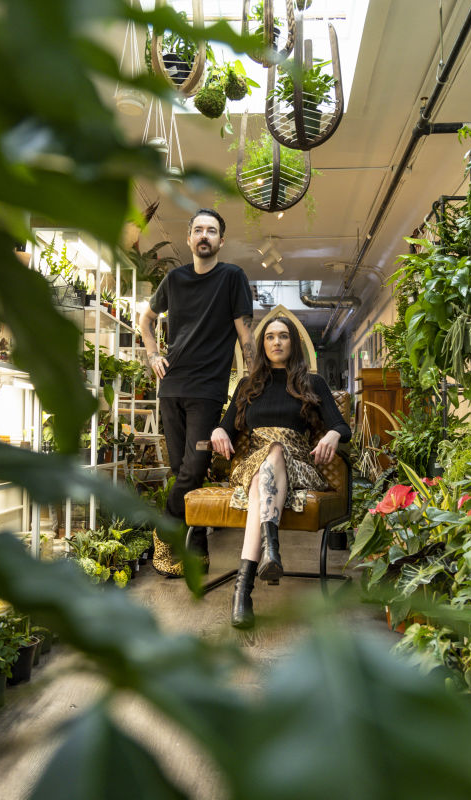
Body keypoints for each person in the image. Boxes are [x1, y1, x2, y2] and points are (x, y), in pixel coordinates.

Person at [209, 315, 351, 628]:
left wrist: (332, 434)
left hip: (297, 463)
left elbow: (342, 425)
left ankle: (243, 593)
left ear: (292, 343)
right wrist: (219, 431)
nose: (276, 342)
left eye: (283, 336)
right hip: (254, 462)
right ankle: (270, 551)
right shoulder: (248, 386)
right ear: (263, 344)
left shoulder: (313, 383)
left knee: (273, 458)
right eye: (270, 337)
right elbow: (226, 426)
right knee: (266, 463)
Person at [139, 209, 255, 574]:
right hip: (171, 387)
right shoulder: (173, 280)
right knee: (182, 469)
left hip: (207, 391)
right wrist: (153, 353)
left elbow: (245, 334)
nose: (205, 235)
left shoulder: (232, 278)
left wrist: (256, 378)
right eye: (198, 230)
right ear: (189, 238)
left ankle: (166, 530)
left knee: (193, 468)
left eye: (212, 230)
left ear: (221, 240)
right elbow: (146, 319)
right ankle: (198, 550)